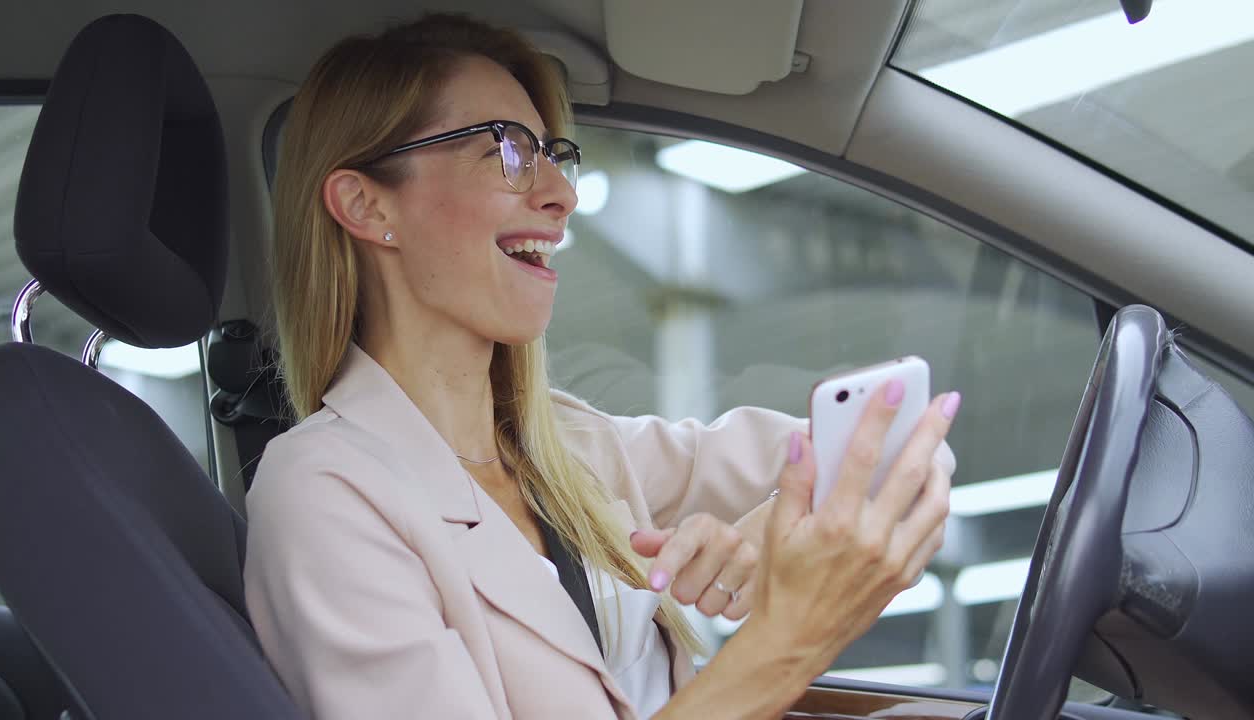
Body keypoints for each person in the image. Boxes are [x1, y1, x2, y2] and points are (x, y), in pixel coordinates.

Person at [244, 13, 959, 720]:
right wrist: (787, 642)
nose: (563, 193)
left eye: (553, 154)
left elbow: (903, 452)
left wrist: (766, 532)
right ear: (365, 205)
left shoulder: (570, 447)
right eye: (507, 149)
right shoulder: (323, 490)